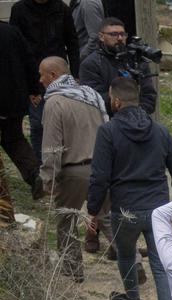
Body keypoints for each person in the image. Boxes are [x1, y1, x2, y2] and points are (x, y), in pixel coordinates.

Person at [87, 77, 172, 300]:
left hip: (125, 209)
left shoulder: (108, 132)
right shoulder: (160, 131)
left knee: (127, 255)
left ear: (116, 101)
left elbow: (100, 176)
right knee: (160, 266)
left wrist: (93, 209)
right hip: (158, 210)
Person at [38, 56, 107, 282]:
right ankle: (133, 262)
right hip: (100, 168)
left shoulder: (55, 102)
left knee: (67, 220)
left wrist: (48, 178)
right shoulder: (91, 95)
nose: (40, 80)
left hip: (73, 171)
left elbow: (52, 146)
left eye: (42, 75)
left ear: (53, 76)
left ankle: (72, 269)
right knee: (108, 218)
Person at [10, 0, 80, 160]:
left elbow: (72, 43)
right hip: (33, 75)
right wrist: (28, 85)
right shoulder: (20, 9)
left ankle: (65, 162)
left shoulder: (62, 8)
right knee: (38, 124)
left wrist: (76, 75)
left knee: (64, 121)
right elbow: (15, 46)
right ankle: (41, 169)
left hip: (59, 74)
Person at [80, 17, 157, 116]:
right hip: (107, 122)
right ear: (101, 36)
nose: (120, 38)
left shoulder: (136, 60)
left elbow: (149, 95)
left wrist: (138, 115)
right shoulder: (91, 64)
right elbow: (94, 99)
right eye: (113, 34)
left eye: (122, 34)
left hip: (139, 119)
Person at [0, 21, 42, 199]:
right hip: (13, 97)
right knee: (14, 139)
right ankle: (35, 175)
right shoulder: (11, 31)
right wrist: (34, 88)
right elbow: (29, 60)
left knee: (13, 138)